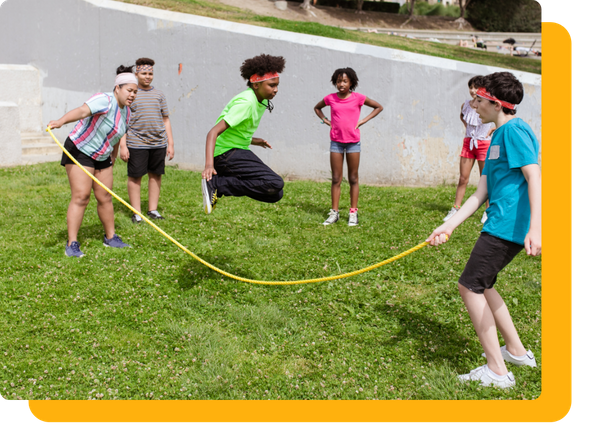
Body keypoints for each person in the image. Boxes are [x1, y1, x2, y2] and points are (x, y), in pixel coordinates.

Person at [427, 72, 541, 389]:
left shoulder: (515, 130)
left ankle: (498, 371)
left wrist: (536, 227)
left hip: (508, 227)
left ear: (495, 102)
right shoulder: (495, 137)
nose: (474, 105)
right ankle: (517, 352)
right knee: (484, 284)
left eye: (479, 99)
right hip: (498, 223)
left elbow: (535, 177)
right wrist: (448, 225)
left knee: (470, 286)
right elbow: (480, 194)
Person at [48, 65, 138, 258]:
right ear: (118, 88)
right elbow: (81, 111)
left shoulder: (127, 113)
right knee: (81, 197)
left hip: (102, 155)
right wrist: (60, 121)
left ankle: (111, 237)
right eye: (129, 90)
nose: (132, 95)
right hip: (80, 149)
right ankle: (72, 243)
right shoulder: (104, 100)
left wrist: (113, 154)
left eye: (135, 92)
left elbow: (116, 134)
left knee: (105, 197)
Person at [201, 54, 286, 214]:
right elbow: (213, 133)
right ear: (256, 85)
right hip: (224, 154)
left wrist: (254, 140)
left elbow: (236, 130)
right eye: (271, 85)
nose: (275, 90)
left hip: (236, 150)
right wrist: (209, 165)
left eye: (277, 85)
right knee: (275, 182)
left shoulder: (262, 100)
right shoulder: (246, 103)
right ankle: (217, 184)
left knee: (275, 193)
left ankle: (221, 185)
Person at [314, 67, 383, 226]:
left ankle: (353, 212)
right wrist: (325, 120)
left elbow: (378, 106)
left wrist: (363, 121)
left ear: (351, 82)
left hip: (353, 143)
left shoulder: (358, 98)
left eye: (345, 81)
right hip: (336, 143)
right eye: (338, 81)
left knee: (353, 178)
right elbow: (317, 108)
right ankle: (334, 213)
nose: (341, 84)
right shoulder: (330, 98)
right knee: (336, 178)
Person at [119, 57, 174, 223]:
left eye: (150, 73)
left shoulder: (159, 95)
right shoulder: (131, 94)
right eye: (144, 73)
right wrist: (123, 145)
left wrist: (170, 143)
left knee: (156, 175)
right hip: (136, 143)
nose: (147, 76)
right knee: (135, 177)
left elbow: (166, 119)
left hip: (158, 143)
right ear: (136, 74)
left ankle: (153, 210)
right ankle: (137, 213)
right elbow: (122, 120)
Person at [444, 75, 495, 223]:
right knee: (463, 178)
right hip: (468, 143)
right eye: (471, 87)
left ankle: (488, 211)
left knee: (485, 179)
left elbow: (498, 118)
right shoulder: (465, 104)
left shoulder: (487, 105)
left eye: (476, 87)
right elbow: (463, 117)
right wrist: (469, 130)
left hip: (484, 145)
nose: (473, 90)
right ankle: (455, 208)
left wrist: (491, 130)